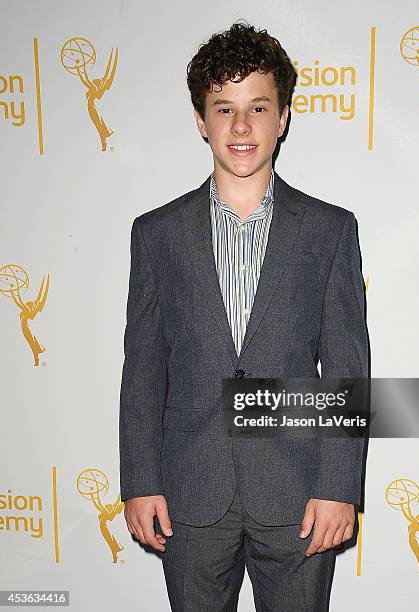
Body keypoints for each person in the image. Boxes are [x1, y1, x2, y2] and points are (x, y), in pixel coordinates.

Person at [119, 20, 369, 612]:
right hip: (189, 492)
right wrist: (140, 480)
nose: (240, 126)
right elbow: (143, 368)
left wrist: (338, 486)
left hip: (300, 494)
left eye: (257, 107)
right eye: (223, 108)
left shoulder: (329, 231)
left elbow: (347, 366)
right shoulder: (157, 235)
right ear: (201, 120)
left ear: (282, 117)